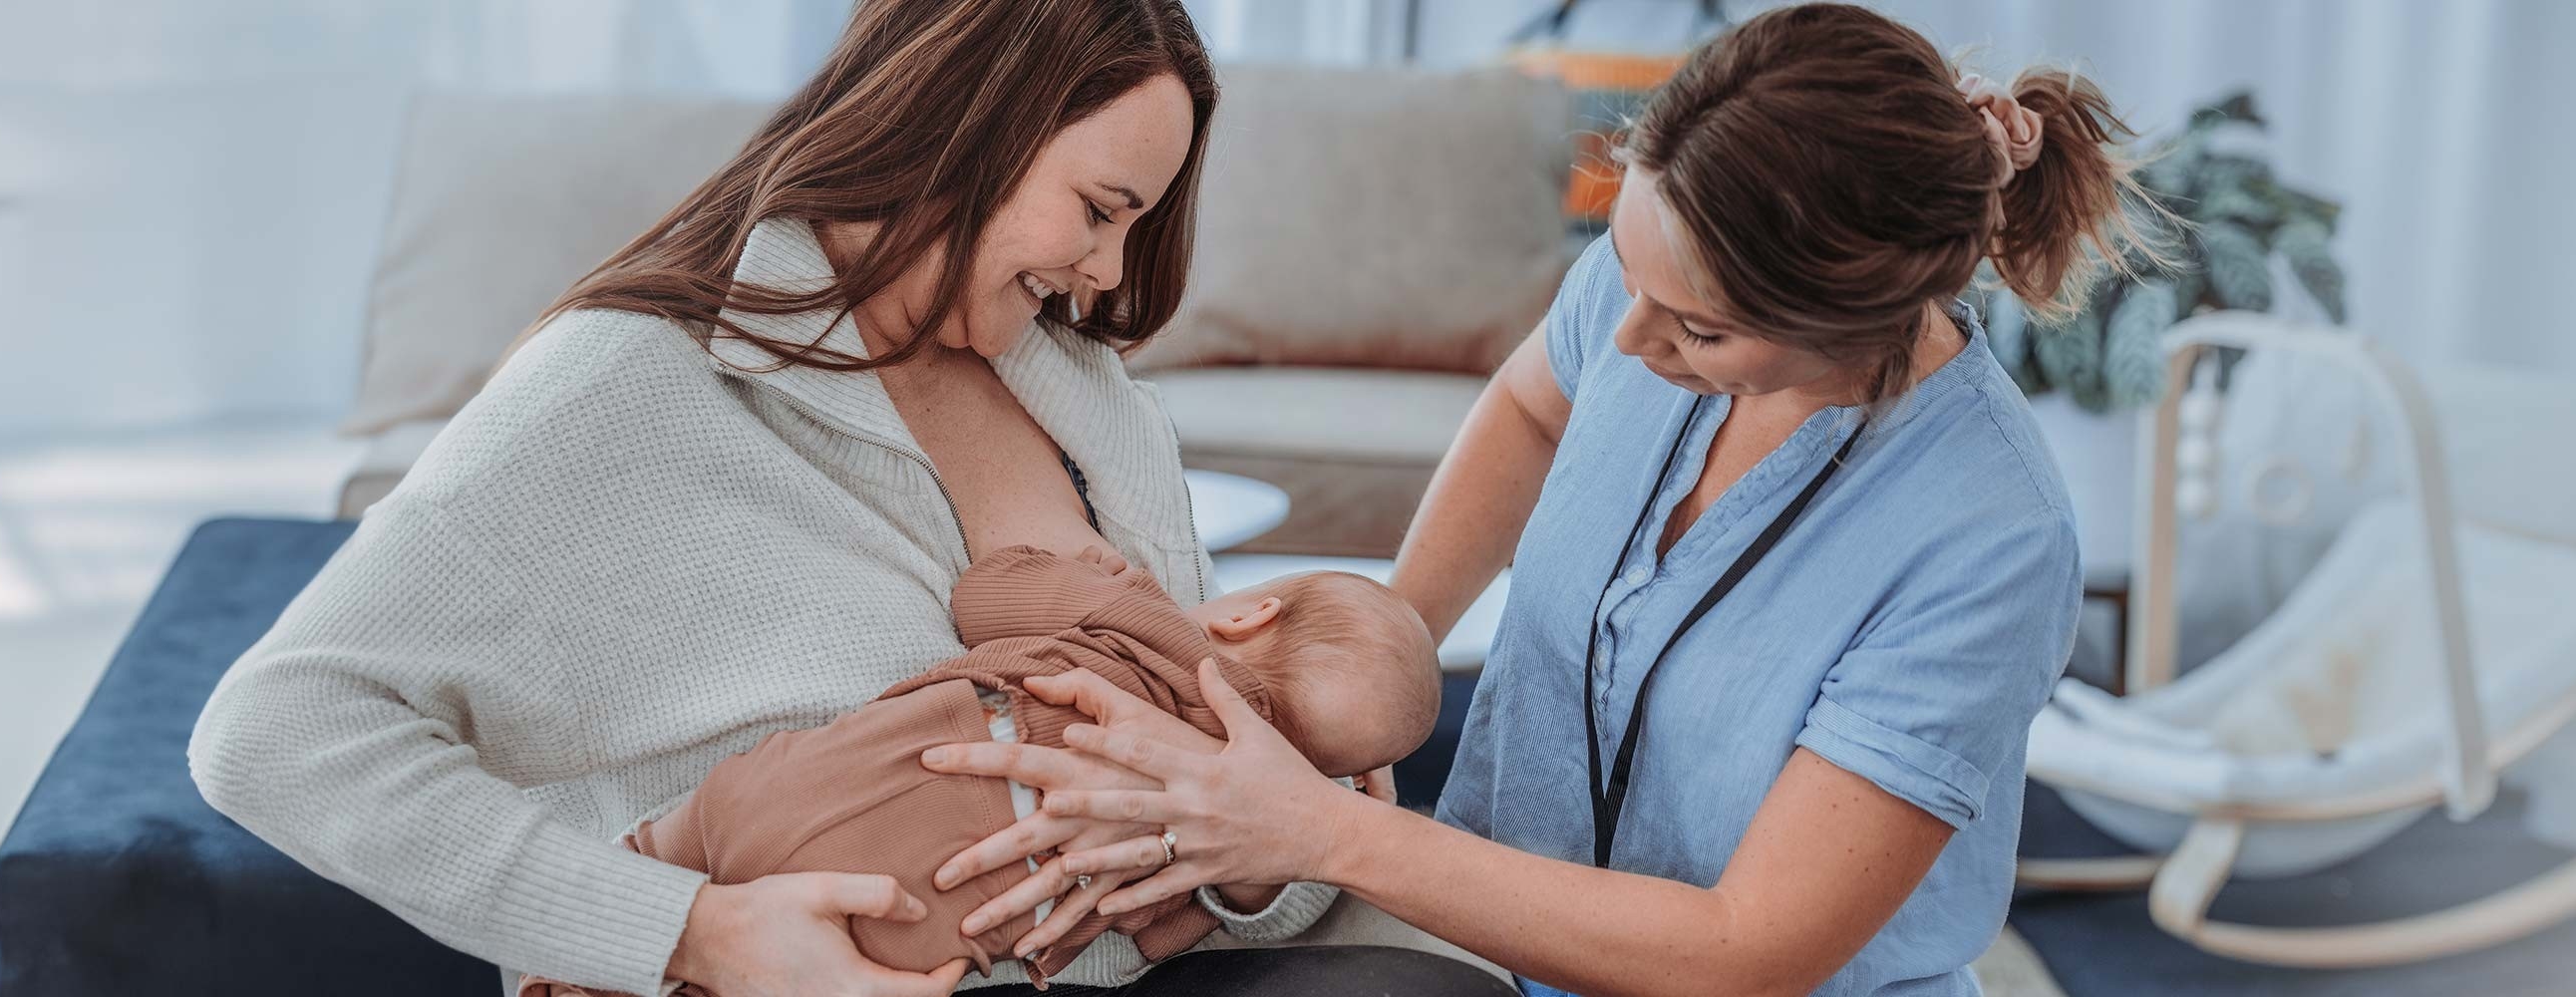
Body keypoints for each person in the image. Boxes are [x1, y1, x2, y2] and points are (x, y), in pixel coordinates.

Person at [188, 1, 1502, 994]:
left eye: (1131, 228)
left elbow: (1196, 754)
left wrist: (1256, 867)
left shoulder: (1085, 398)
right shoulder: (631, 381)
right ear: (966, 126)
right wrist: (692, 931)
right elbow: (275, 731)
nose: (1108, 278)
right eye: (1099, 210)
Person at [915, 4, 2164, 995]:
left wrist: (1318, 833)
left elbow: (1747, 951)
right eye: (1623, 271)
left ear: (1850, 324)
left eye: (1698, 331)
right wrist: (1380, 651)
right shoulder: (1662, 273)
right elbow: (1529, 405)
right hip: (1470, 947)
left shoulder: (1988, 540)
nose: (1627, 343)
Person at [514, 544, 1439, 996]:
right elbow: (1163, 934)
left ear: (1248, 615)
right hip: (922, 928)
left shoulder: (1143, 618)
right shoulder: (1212, 827)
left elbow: (985, 597)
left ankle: (599, 931)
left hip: (840, 778)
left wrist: (1072, 567)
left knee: (688, 833)